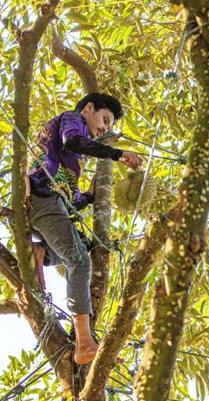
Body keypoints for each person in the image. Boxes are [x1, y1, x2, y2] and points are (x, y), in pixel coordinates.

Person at [28, 92, 143, 365]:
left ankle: (41, 252)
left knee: (83, 247)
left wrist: (89, 197)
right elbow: (73, 140)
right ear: (88, 108)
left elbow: (70, 200)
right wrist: (117, 154)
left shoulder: (71, 159)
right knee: (79, 260)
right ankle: (84, 342)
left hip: (50, 201)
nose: (105, 128)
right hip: (41, 196)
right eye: (104, 119)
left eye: (109, 126)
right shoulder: (71, 121)